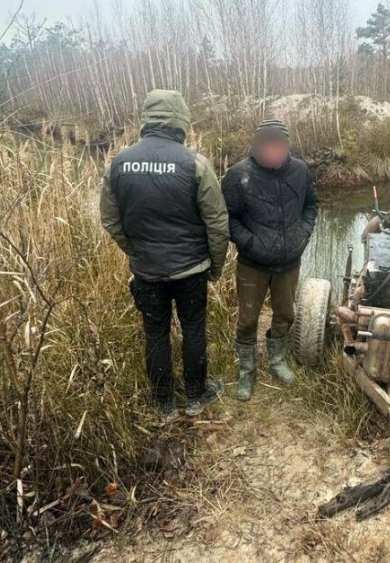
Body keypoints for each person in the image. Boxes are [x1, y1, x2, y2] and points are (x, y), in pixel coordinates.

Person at [100, 89, 229, 419]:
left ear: (147, 120)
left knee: (155, 334)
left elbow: (110, 219)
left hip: (146, 272)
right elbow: (216, 222)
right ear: (181, 122)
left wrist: (135, 250)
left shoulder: (119, 163)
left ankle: (164, 404)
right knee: (194, 332)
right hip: (190, 271)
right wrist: (215, 266)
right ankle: (196, 399)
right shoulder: (196, 164)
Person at [221, 119, 319, 401]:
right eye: (268, 145)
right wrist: (250, 242)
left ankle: (277, 360)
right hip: (252, 264)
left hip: (289, 262)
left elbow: (311, 204)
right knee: (248, 318)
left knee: (286, 314)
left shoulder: (300, 170)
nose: (274, 151)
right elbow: (226, 218)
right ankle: (247, 370)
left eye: (279, 145)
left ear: (286, 146)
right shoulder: (239, 174)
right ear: (258, 145)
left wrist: (303, 234)